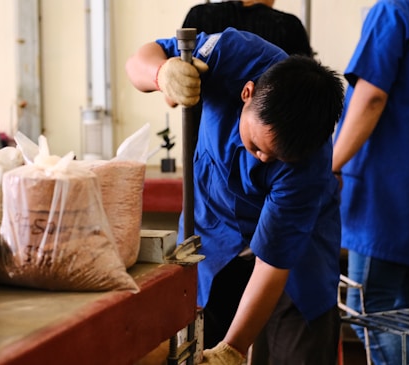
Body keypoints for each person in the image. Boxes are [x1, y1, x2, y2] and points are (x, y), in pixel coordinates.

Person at [126, 27, 344, 364]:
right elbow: (140, 60)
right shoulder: (230, 54)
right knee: (194, 345)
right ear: (247, 93)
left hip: (297, 258)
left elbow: (273, 260)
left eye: (277, 159)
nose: (262, 159)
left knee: (295, 351)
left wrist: (235, 349)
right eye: (257, 146)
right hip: (213, 235)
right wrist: (161, 73)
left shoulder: (308, 167)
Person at [332, 0, 409, 363]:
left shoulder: (394, 10)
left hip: (386, 189)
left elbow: (371, 96)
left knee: (370, 307)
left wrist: (330, 163)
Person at [182, 0, 312, 57]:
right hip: (268, 113)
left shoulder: (198, 15)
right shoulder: (289, 25)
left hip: (200, 114)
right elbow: (307, 91)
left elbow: (171, 99)